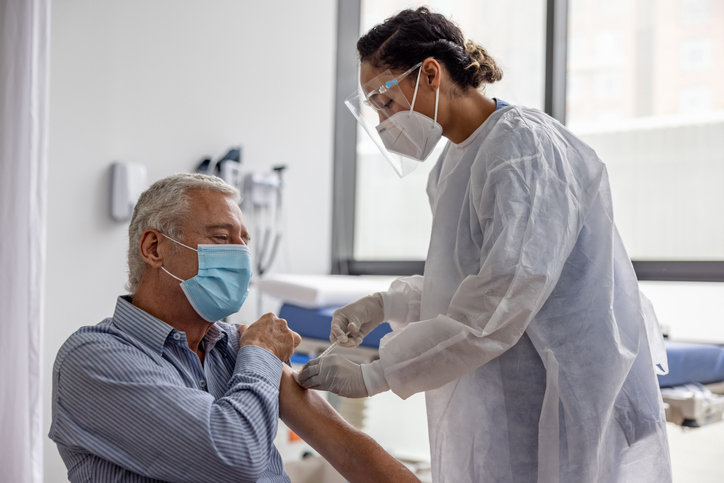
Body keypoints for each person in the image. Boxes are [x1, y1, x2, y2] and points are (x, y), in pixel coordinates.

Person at [298, 7, 672, 483]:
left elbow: (501, 301)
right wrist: (386, 302)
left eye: (384, 101)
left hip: (566, 390)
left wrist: (378, 375)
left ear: (430, 73)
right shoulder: (452, 164)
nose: (382, 121)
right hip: (510, 387)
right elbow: (463, 281)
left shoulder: (523, 150)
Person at [49, 173, 418, 483]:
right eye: (222, 239)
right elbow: (233, 457)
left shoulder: (231, 345)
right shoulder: (93, 359)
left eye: (244, 242)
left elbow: (347, 448)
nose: (241, 255)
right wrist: (260, 353)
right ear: (154, 248)